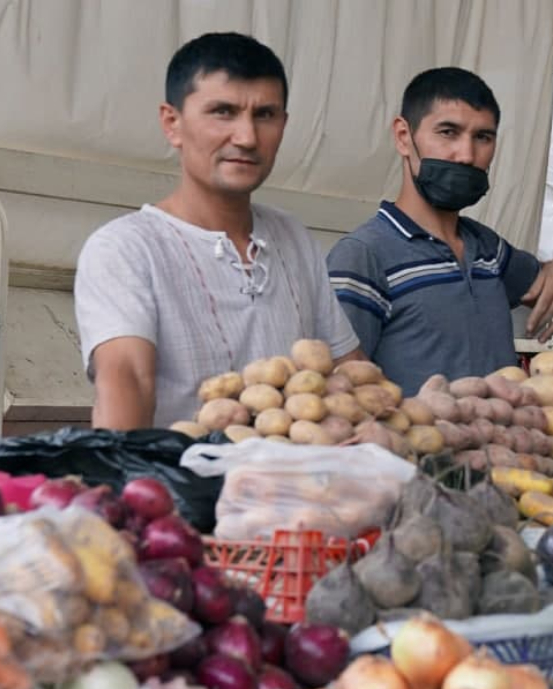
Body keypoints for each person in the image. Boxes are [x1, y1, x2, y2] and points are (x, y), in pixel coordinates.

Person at [75, 33, 362, 430]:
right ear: (172, 124)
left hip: (295, 487)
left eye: (265, 115)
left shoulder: (292, 236)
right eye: (222, 112)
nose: (246, 137)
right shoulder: (125, 248)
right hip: (180, 487)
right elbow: (129, 383)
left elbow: (350, 370)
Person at [326, 67, 553, 396]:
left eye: (483, 137)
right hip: (418, 446)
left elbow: (546, 281)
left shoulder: (486, 248)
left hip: (507, 442)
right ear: (403, 137)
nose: (466, 155)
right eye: (448, 132)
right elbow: (343, 386)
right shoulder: (363, 255)